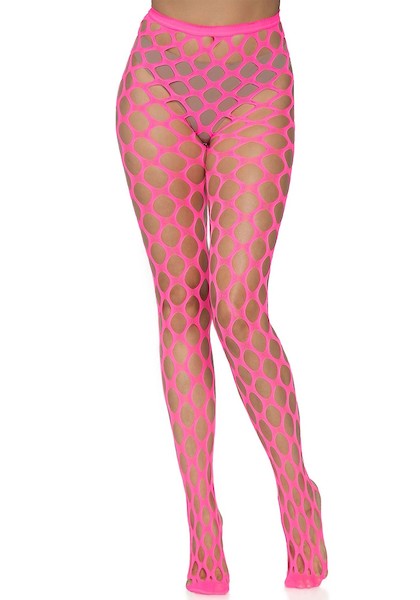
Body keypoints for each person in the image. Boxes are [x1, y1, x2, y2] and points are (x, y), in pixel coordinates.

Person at [115, 0, 328, 593]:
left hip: (258, 78)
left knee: (239, 306)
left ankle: (297, 492)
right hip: (157, 76)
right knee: (180, 303)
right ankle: (202, 523)